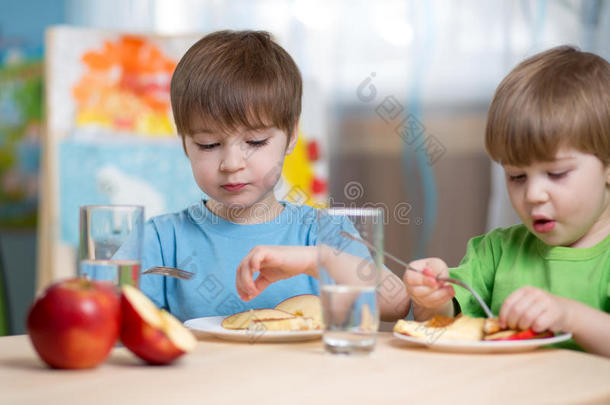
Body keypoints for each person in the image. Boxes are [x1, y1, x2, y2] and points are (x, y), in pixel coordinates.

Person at [141, 30, 409, 322]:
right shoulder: (160, 239)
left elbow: (395, 303)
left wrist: (318, 259)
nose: (231, 164)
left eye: (255, 142)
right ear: (184, 144)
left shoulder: (324, 232)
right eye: (209, 144)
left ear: (292, 136)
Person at [403, 46, 610, 357]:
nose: (533, 195)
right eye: (516, 176)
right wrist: (432, 298)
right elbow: (441, 325)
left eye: (556, 173)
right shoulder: (496, 252)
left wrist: (569, 316)